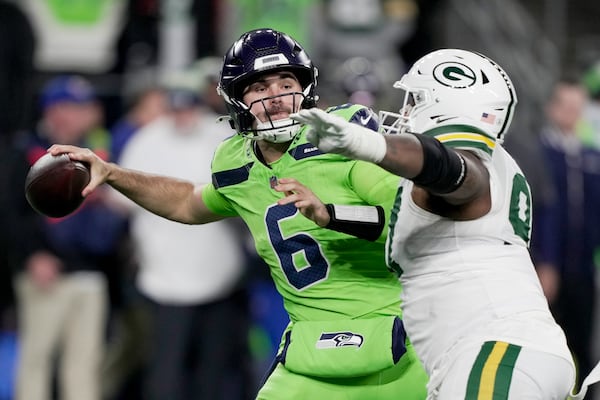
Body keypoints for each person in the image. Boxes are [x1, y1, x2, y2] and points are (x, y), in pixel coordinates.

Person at [47, 28, 428, 399]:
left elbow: (410, 219)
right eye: (260, 88)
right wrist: (112, 172)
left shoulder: (343, 139)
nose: (275, 97)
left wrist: (331, 214)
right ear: (237, 101)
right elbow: (185, 202)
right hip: (308, 349)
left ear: (305, 88)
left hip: (396, 339)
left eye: (284, 83)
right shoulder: (237, 166)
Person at [289, 48, 600, 399]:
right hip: (502, 354)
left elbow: (452, 170)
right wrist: (331, 214)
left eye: (414, 100)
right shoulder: (491, 170)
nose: (404, 111)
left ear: (446, 103)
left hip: (494, 350)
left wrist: (368, 143)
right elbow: (408, 227)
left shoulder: (466, 166)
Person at [112, 73, 251, 400]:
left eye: (188, 105)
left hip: (219, 275)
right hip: (164, 278)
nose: (182, 114)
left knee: (214, 369)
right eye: (175, 106)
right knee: (166, 369)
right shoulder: (147, 140)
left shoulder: (219, 137)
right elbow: (121, 200)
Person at [13, 75, 129, 400]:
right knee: (37, 359)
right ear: (52, 110)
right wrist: (31, 255)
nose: (81, 115)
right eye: (72, 107)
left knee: (84, 364)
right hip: (47, 272)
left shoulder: (98, 155)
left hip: (91, 271)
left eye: (84, 107)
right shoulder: (26, 152)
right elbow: (11, 214)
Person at [536, 77, 600, 393]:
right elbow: (540, 212)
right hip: (548, 270)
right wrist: (544, 263)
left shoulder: (592, 158)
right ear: (552, 108)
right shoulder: (539, 155)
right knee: (550, 348)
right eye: (566, 105)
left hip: (583, 269)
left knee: (584, 346)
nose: (572, 113)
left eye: (578, 107)